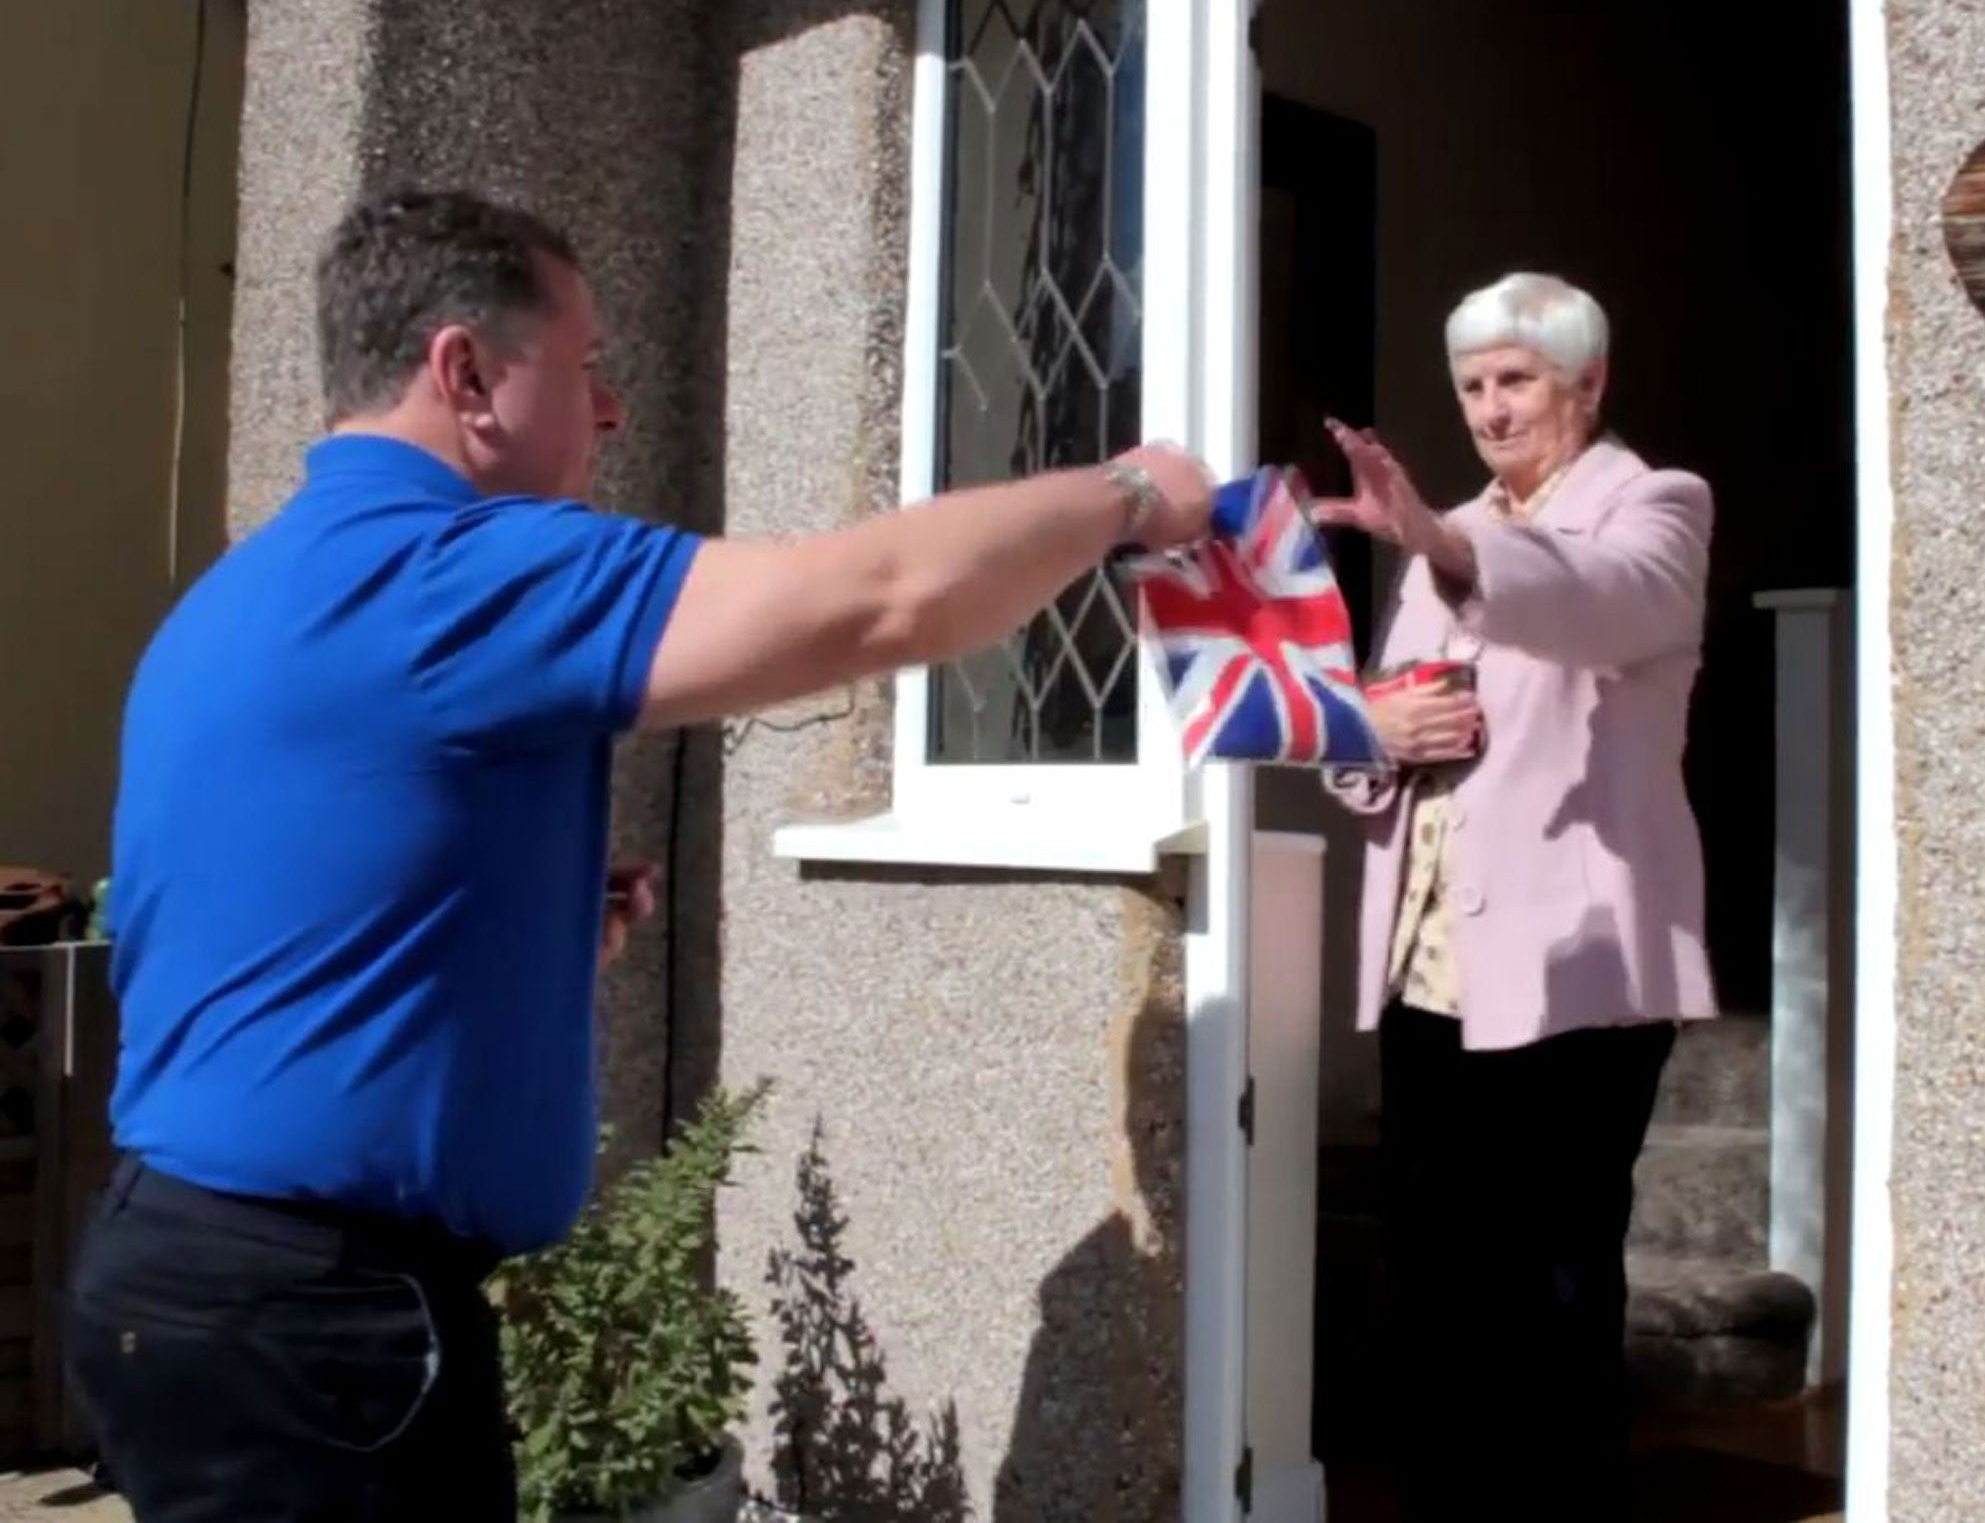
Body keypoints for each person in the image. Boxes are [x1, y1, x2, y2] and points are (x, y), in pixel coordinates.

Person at [65, 187, 1216, 1523]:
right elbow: (882, 599)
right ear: (465, 373)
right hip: (312, 1325)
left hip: (189, 1278)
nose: (611, 409)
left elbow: (271, 922)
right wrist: (1131, 494)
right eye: (586, 366)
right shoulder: (453, 572)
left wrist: (520, 928)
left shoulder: (244, 594)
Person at [1313, 271, 1715, 1521]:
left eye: (1514, 382)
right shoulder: (1449, 535)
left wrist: (1437, 543)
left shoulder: (1653, 505)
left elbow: (1597, 606)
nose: (1488, 410)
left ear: (1585, 382)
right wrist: (1372, 731)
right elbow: (1377, 720)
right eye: (1470, 386)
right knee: (1436, 1290)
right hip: (1432, 969)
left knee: (1551, 1292)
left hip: (1579, 974)